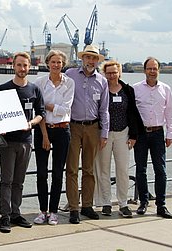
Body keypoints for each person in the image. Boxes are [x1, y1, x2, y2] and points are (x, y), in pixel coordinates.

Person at [0, 52, 45, 233]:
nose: (22, 69)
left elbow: (41, 113)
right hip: (8, 142)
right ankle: (5, 216)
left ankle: (16, 213)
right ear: (13, 66)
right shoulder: (3, 89)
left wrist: (31, 124)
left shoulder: (34, 89)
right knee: (6, 181)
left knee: (19, 181)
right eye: (19, 65)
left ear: (29, 67)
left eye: (25, 65)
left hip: (26, 141)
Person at [65, 44, 109, 224]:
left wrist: (104, 132)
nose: (91, 61)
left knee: (89, 170)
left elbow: (104, 109)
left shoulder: (102, 81)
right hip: (73, 127)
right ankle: (73, 208)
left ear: (98, 61)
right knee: (72, 169)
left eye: (94, 58)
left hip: (93, 127)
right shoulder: (70, 75)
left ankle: (87, 205)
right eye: (88, 57)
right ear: (82, 58)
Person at [93, 60, 142, 218]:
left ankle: (123, 203)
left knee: (122, 169)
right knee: (103, 169)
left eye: (114, 72)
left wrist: (134, 135)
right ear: (104, 74)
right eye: (108, 73)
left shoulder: (128, 90)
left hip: (123, 134)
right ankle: (106, 202)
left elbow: (133, 113)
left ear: (119, 73)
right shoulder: (101, 89)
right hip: (104, 134)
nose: (112, 75)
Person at [33, 50, 74, 225]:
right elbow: (38, 111)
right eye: (53, 62)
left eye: (59, 62)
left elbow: (66, 109)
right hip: (43, 130)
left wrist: (47, 106)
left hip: (63, 130)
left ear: (63, 64)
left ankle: (54, 211)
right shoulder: (39, 83)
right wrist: (44, 135)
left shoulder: (69, 83)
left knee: (58, 173)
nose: (56, 65)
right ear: (47, 63)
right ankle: (43, 211)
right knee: (42, 173)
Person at [133, 57, 172, 219]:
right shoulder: (136, 89)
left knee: (160, 170)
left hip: (158, 133)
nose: (152, 71)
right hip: (141, 134)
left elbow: (170, 113)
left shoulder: (166, 89)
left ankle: (161, 205)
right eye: (149, 68)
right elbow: (131, 113)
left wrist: (170, 133)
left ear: (159, 70)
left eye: (155, 68)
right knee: (141, 169)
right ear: (144, 70)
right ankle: (143, 202)